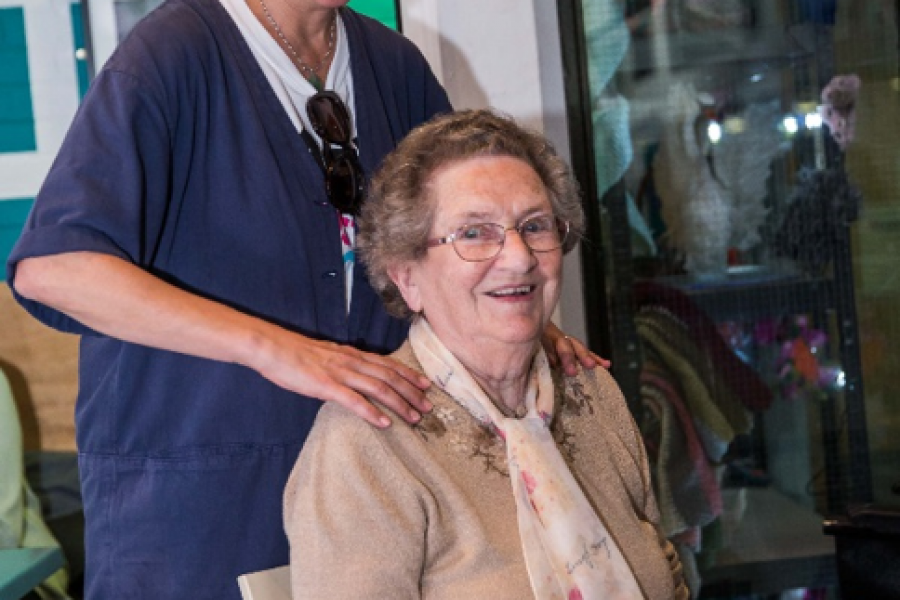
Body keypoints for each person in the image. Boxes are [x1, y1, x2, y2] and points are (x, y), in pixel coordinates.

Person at [6, 1, 600, 598]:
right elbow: (54, 270)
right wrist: (276, 350)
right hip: (203, 512)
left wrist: (520, 317)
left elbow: (456, 242)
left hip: (374, 498)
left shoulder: (392, 62)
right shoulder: (172, 51)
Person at [284, 109, 689, 599]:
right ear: (406, 276)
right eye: (474, 233)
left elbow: (665, 576)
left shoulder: (590, 392)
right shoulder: (365, 443)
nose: (519, 258)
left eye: (535, 225)